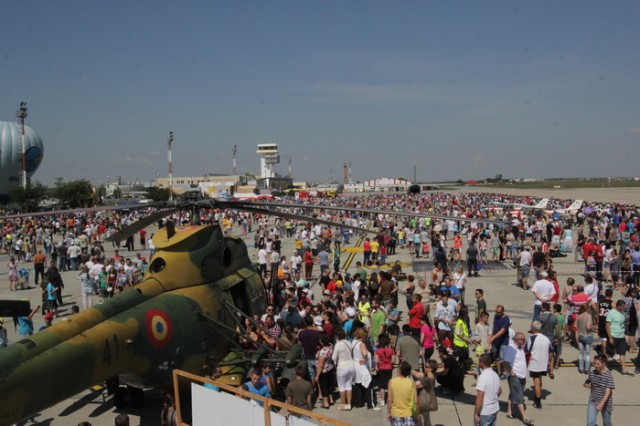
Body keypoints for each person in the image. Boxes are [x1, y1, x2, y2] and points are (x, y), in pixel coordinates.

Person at [502, 332, 533, 425]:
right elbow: (505, 362)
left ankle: (509, 412)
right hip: (515, 376)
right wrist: (511, 372)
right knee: (519, 396)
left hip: (522, 375)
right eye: (522, 340)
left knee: (513, 393)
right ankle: (524, 417)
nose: (524, 341)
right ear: (517, 340)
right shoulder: (510, 349)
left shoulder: (520, 348)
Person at [527, 321, 552, 409]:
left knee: (536, 382)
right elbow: (551, 352)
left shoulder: (532, 339)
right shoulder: (546, 339)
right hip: (543, 363)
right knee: (539, 380)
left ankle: (538, 401)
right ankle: (538, 393)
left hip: (535, 364)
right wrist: (549, 364)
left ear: (533, 328)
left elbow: (527, 351)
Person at [606, 299, 635, 375]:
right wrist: (610, 337)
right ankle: (604, 368)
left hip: (621, 336)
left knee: (622, 353)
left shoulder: (622, 312)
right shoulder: (611, 313)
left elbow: (623, 323)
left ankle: (624, 369)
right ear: (618, 306)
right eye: (623, 307)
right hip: (613, 335)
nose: (624, 308)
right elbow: (607, 325)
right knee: (610, 354)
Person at [585, 354, 615, 426]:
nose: (595, 365)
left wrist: (601, 404)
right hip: (593, 401)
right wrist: (587, 383)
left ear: (604, 363)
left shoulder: (608, 376)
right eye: (594, 363)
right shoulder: (592, 373)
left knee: (607, 423)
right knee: (590, 423)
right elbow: (589, 380)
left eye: (598, 364)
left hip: (606, 404)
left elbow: (608, 392)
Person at [387, 361, 418, 426]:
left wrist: (389, 412)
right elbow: (416, 401)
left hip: (395, 413)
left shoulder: (392, 381)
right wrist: (416, 414)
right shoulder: (412, 382)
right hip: (409, 413)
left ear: (399, 371)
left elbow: (389, 400)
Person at [474, 353, 501, 426]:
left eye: (479, 361)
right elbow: (500, 391)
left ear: (482, 363)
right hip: (494, 408)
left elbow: (480, 397)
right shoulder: (495, 374)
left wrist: (476, 413)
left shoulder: (483, 377)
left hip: (485, 411)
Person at [332, 329, 356, 411]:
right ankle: (349, 404)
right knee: (349, 385)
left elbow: (333, 358)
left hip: (342, 367)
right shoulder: (349, 342)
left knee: (342, 386)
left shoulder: (338, 345)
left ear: (337, 336)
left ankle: (343, 404)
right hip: (351, 365)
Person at [411, 359, 438, 426]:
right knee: (427, 421)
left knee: (419, 420)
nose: (424, 367)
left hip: (423, 403)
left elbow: (414, 385)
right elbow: (417, 374)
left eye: (426, 366)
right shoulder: (431, 375)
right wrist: (409, 369)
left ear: (431, 369)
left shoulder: (427, 379)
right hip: (427, 403)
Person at [315, 335, 335, 409]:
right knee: (329, 384)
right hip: (330, 368)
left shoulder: (323, 352)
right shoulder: (331, 347)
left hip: (324, 370)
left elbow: (320, 364)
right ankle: (331, 399)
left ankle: (326, 403)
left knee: (324, 386)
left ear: (322, 342)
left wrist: (317, 375)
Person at [576, 304, 595, 374]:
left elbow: (576, 327)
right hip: (587, 336)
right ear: (587, 309)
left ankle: (581, 368)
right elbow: (588, 327)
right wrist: (593, 327)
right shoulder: (588, 316)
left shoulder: (579, 316)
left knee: (581, 353)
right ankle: (587, 369)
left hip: (580, 335)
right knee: (588, 354)